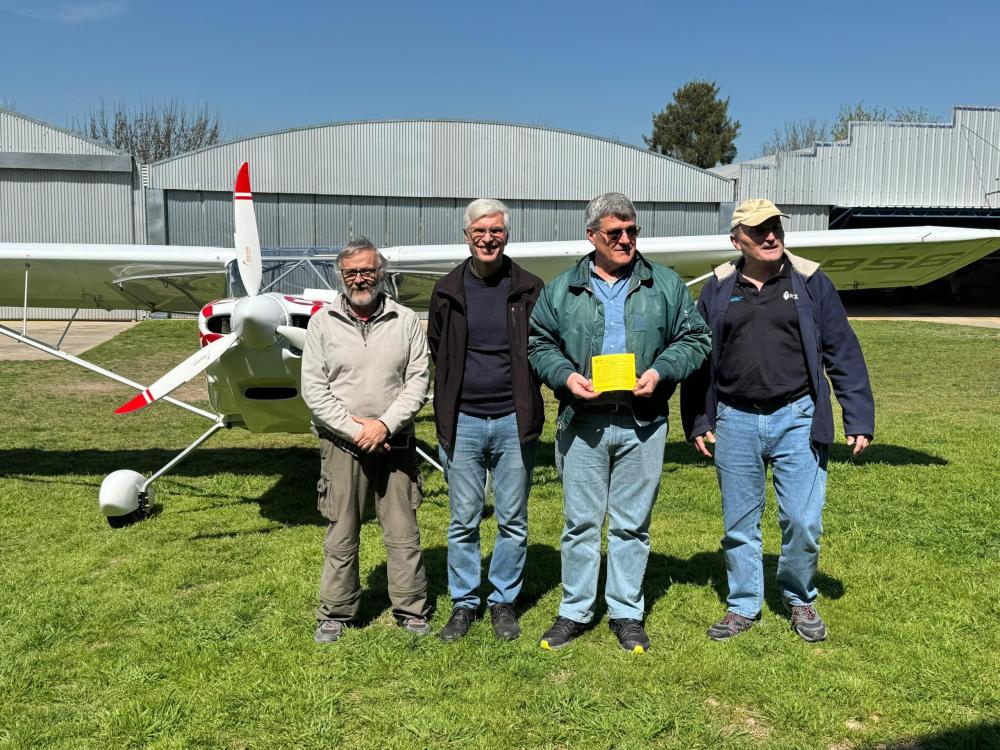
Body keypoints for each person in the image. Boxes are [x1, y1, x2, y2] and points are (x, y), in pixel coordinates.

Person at [681, 198, 875, 643]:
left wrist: (858, 415)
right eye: (758, 230)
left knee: (803, 521)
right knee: (739, 524)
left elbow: (842, 350)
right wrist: (697, 419)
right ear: (736, 240)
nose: (770, 236)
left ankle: (799, 596)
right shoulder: (717, 288)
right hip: (735, 419)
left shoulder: (810, 281)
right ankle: (743, 606)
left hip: (798, 416)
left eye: (775, 227)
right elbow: (698, 358)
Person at [528, 192, 711, 652]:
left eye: (632, 231)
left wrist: (661, 371)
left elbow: (695, 337)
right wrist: (565, 376)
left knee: (632, 524)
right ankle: (575, 610)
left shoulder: (665, 285)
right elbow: (538, 343)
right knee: (581, 524)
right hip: (582, 421)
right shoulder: (561, 289)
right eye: (615, 233)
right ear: (592, 236)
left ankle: (627, 612)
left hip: (642, 422)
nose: (626, 240)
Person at [301, 236, 432, 643]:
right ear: (341, 277)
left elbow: (418, 381)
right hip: (342, 444)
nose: (360, 279)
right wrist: (357, 429)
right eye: (351, 272)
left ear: (382, 274)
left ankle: (411, 608)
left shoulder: (406, 320)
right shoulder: (322, 323)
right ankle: (336, 612)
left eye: (368, 271)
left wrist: (384, 426)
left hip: (396, 443)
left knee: (403, 529)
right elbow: (314, 389)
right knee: (342, 530)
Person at [428, 198, 545, 642]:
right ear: (467, 236)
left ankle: (502, 601)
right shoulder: (447, 291)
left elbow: (543, 347)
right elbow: (438, 351)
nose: (488, 238)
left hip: (515, 420)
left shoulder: (530, 288)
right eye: (480, 231)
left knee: (513, 518)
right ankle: (464, 603)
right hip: (463, 421)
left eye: (495, 230)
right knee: (464, 518)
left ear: (506, 235)